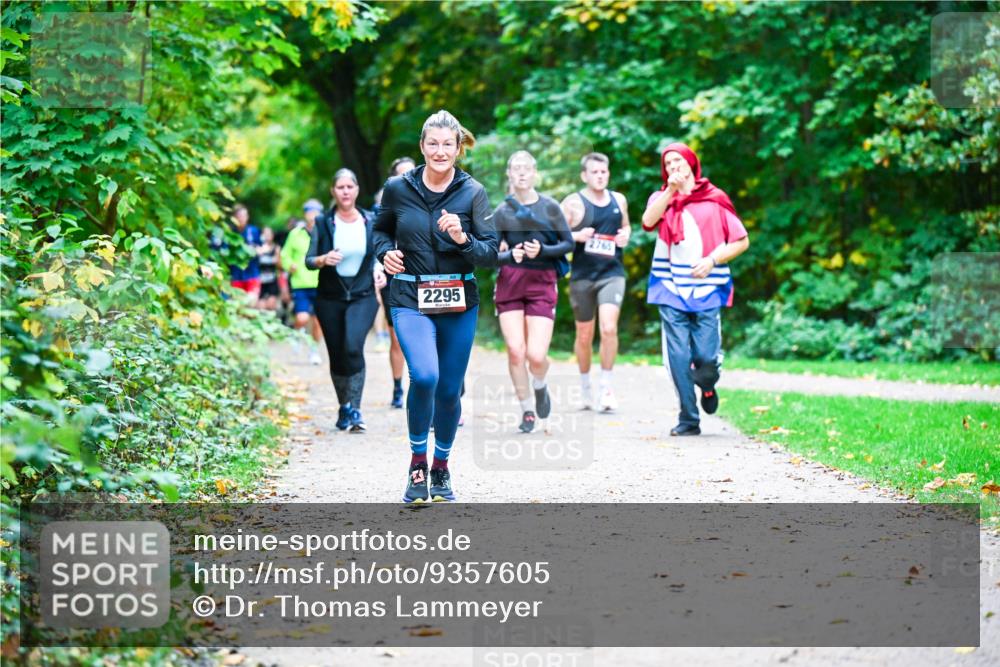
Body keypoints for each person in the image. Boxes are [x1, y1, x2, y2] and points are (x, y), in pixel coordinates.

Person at [373, 110, 498, 503]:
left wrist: (463, 238)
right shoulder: (397, 188)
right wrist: (384, 254)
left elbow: (491, 253)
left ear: (458, 148)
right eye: (433, 144)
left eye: (448, 144)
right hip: (410, 296)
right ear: (422, 146)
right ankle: (417, 463)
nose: (440, 151)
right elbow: (380, 230)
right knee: (424, 376)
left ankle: (441, 468)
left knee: (448, 390)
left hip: (459, 300)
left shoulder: (473, 192)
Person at [641, 142, 749, 436]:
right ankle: (689, 418)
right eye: (668, 163)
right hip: (669, 287)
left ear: (691, 164)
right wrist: (670, 192)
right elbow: (648, 221)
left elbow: (741, 240)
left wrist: (712, 260)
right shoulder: (661, 198)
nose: (673, 167)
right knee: (677, 357)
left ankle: (708, 385)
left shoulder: (715, 199)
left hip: (707, 288)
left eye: (678, 161)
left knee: (705, 358)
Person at [494, 151, 574, 433]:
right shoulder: (502, 212)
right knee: (516, 351)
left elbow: (568, 244)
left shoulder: (550, 207)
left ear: (535, 172)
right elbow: (491, 253)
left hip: (542, 280)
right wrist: (508, 255)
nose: (522, 173)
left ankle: (540, 385)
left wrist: (543, 250)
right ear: (509, 174)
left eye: (526, 168)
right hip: (511, 282)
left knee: (536, 356)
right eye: (516, 169)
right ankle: (527, 409)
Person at [306, 170, 386, 433]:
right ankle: (343, 406)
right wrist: (322, 259)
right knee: (337, 355)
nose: (345, 191)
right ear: (333, 191)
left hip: (363, 296)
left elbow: (379, 253)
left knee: (353, 347)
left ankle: (356, 410)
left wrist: (378, 268)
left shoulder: (370, 220)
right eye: (340, 187)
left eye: (350, 186)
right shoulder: (323, 222)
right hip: (330, 298)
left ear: (357, 189)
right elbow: (309, 260)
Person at [560, 153, 631, 412]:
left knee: (609, 328)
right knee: (584, 334)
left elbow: (626, 227)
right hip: (582, 276)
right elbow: (555, 235)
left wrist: (625, 236)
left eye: (604, 172)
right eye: (595, 172)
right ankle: (585, 387)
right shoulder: (572, 203)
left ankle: (606, 388)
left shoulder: (618, 200)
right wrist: (577, 236)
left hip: (612, 273)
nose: (600, 176)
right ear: (584, 175)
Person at [374, 157, 417, 408]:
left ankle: (425, 388)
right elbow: (379, 239)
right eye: (401, 175)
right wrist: (378, 268)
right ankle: (398, 387)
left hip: (425, 278)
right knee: (398, 339)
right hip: (396, 275)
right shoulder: (387, 206)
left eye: (411, 174)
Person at [281, 201, 324, 365]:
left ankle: (314, 351)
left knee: (319, 321)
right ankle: (298, 332)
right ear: (305, 214)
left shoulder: (324, 232)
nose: (312, 215)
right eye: (309, 212)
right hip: (300, 282)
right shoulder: (295, 233)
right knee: (302, 317)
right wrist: (289, 265)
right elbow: (285, 255)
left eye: (315, 212)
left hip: (320, 282)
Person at [228, 204, 262, 301]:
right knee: (238, 305)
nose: (242, 219)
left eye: (244, 216)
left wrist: (256, 250)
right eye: (239, 216)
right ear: (234, 218)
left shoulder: (254, 231)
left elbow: (262, 247)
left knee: (251, 301)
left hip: (252, 273)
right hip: (236, 274)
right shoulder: (230, 233)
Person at [256, 226, 281, 312]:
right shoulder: (257, 248)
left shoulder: (276, 248)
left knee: (271, 306)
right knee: (260, 307)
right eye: (265, 234)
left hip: (272, 281)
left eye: (269, 234)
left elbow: (279, 264)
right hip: (260, 281)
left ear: (272, 235)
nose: (267, 236)